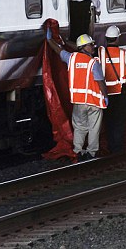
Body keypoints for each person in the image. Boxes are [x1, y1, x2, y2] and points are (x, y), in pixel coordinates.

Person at [46, 31, 108, 161]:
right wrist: (105, 96)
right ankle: (91, 153)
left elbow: (58, 50)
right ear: (83, 47)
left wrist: (49, 40)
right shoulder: (93, 63)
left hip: (78, 102)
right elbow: (100, 82)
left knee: (79, 127)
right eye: (90, 45)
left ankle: (78, 150)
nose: (93, 47)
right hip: (93, 102)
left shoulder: (71, 58)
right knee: (93, 128)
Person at [98, 25, 126, 153]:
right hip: (121, 93)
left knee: (108, 121)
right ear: (117, 39)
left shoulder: (99, 53)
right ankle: (117, 149)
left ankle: (111, 147)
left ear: (106, 39)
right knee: (119, 122)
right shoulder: (123, 54)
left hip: (105, 94)